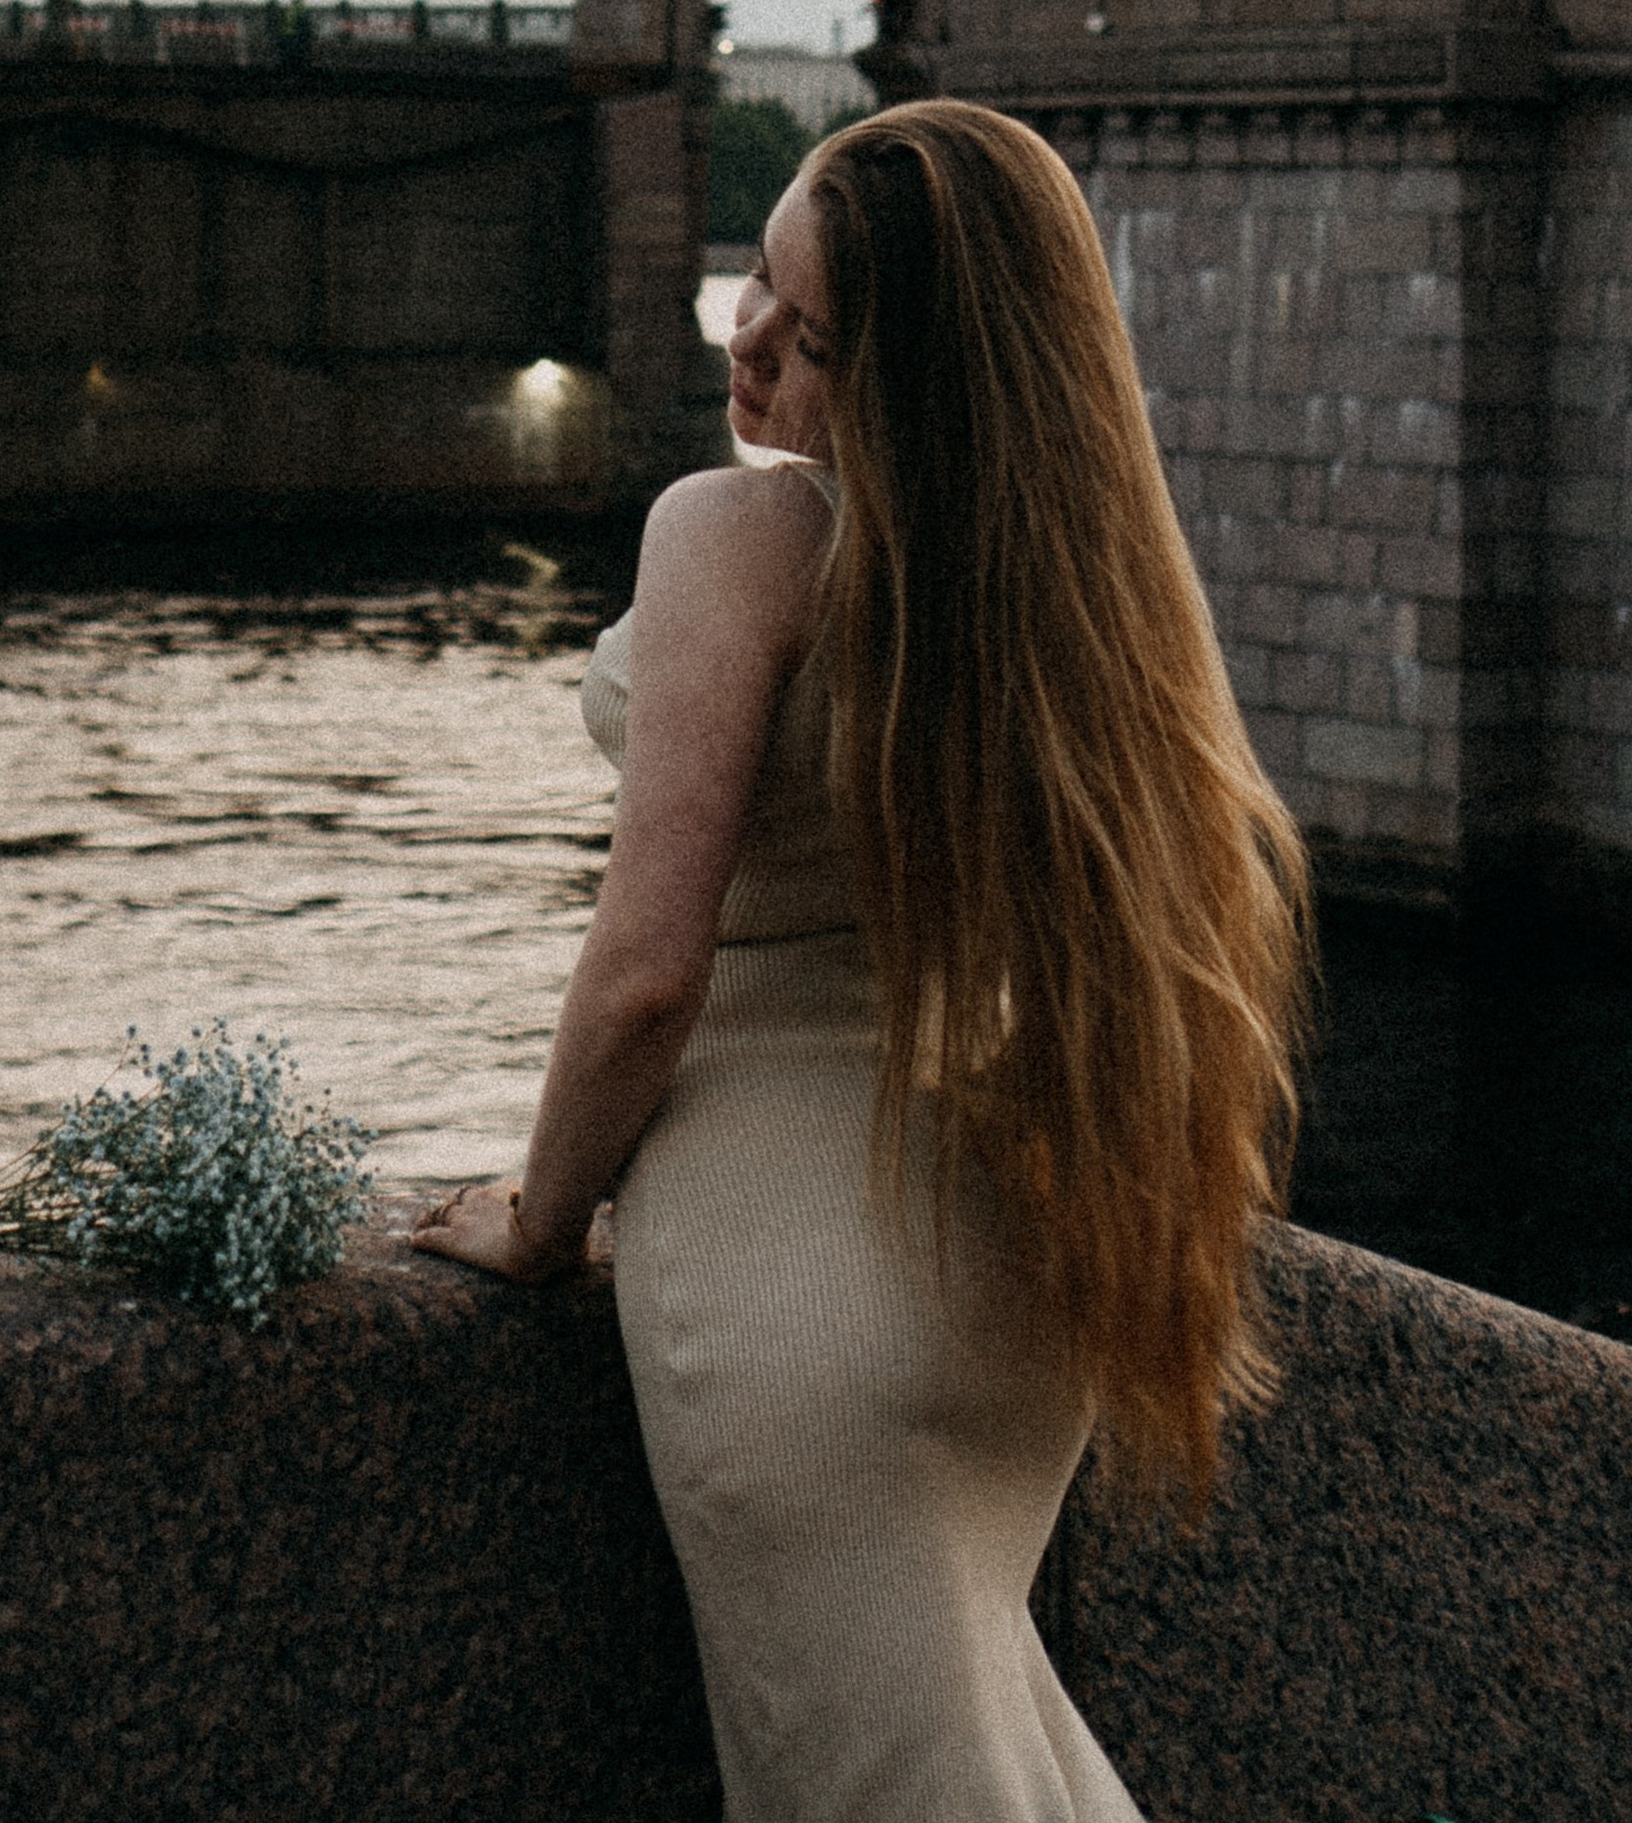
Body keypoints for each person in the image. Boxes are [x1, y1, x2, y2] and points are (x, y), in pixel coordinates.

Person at [412, 97, 1310, 1821]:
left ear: (917, 376)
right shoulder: (1036, 583)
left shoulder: (736, 539)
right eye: (761, 277)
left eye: (811, 337)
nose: (750, 342)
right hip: (992, 1254)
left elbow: (647, 973)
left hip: (783, 1277)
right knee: (999, 1768)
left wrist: (538, 1221)